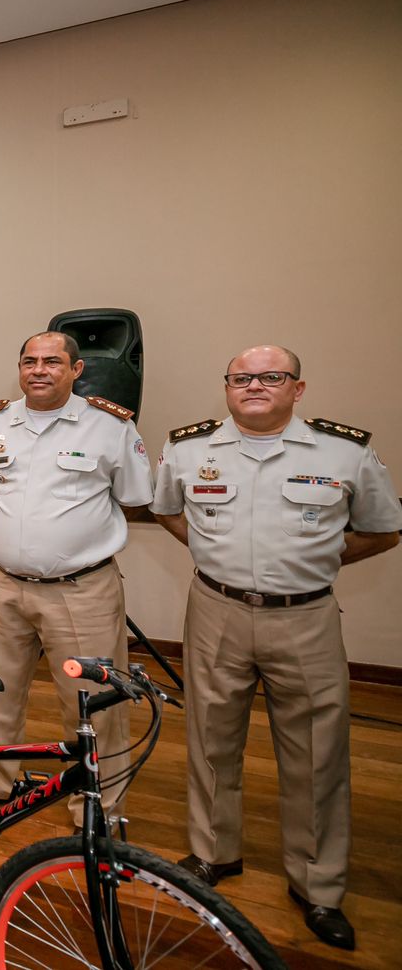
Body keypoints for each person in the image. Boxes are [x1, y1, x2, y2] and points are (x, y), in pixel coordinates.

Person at [152, 346, 400, 951]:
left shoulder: (344, 452)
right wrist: (215, 556)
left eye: (271, 376)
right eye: (242, 377)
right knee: (210, 736)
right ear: (227, 386)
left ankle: (319, 885)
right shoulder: (188, 449)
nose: (255, 386)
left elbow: (382, 529)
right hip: (216, 609)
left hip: (305, 616)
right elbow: (168, 512)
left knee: (317, 750)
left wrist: (316, 560)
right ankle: (214, 853)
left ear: (298, 388)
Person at [0, 331, 153, 821]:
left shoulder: (110, 427)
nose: (39, 370)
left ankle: (98, 803)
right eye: (29, 361)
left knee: (94, 702)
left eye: (52, 362)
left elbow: (135, 498)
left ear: (76, 370)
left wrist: (72, 542)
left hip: (80, 590)